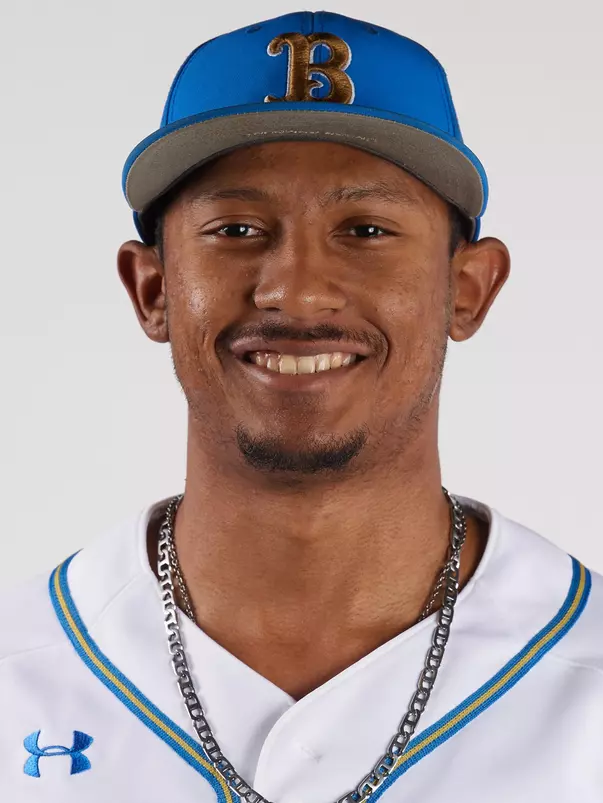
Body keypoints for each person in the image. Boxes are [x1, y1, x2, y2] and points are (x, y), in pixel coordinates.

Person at [1, 9, 601, 801]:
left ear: (466, 288)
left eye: (365, 228)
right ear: (151, 289)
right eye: (237, 227)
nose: (295, 289)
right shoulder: (20, 670)